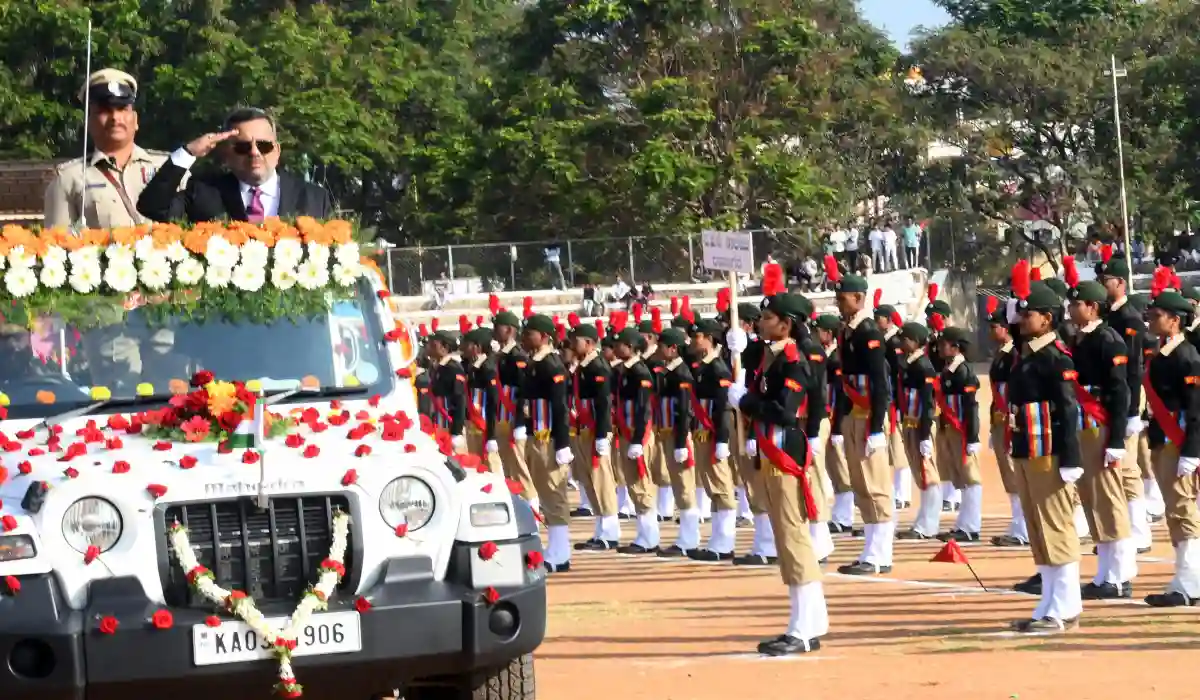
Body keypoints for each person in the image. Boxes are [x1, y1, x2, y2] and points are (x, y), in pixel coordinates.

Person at [726, 292, 829, 656]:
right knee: (787, 542)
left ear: (785, 324)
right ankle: (810, 621)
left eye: (767, 318)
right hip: (770, 458)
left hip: (785, 456)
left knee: (794, 540)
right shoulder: (771, 354)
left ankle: (803, 629)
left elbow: (785, 411)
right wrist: (736, 345)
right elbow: (747, 362)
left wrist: (746, 402)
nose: (761, 323)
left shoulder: (794, 361)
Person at [1006, 266, 1085, 633]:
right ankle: (1049, 599)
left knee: (1055, 525)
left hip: (1049, 450)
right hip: (1027, 447)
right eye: (1021, 313)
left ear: (1047, 319)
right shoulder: (1029, 353)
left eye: (1029, 314)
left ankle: (1065, 604)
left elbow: (1068, 409)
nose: (1022, 319)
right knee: (1038, 527)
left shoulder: (1056, 357)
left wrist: (1071, 458)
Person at [1064, 271, 1136, 599]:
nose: (1070, 309)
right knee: (1092, 498)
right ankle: (1105, 573)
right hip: (1083, 423)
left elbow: (1120, 391)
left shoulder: (1108, 340)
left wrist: (1118, 439)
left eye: (1076, 304)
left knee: (1108, 499)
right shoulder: (1080, 338)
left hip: (1101, 423)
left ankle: (1120, 574)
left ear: (1092, 307)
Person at [137, 107, 333, 223]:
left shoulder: (314, 198)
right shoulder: (204, 192)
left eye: (264, 145)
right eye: (242, 147)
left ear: (277, 151)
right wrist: (188, 153)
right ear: (226, 154)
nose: (254, 152)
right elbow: (153, 207)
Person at [825, 256, 895, 575]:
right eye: (837, 299)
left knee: (875, 484)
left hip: (868, 416)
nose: (840, 304)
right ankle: (870, 549)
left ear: (859, 299)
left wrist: (877, 425)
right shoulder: (848, 332)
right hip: (854, 415)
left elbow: (880, 382)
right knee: (861, 484)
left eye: (843, 298)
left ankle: (881, 553)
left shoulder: (868, 333)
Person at [44, 69, 170, 230]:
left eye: (122, 109)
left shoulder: (168, 167)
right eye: (104, 111)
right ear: (89, 122)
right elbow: (57, 244)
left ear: (136, 119)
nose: (115, 118)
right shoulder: (69, 179)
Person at [1141, 274, 1200, 607]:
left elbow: (1196, 409)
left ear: (1175, 321)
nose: (1150, 319)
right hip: (1163, 439)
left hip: (1180, 441)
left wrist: (1192, 451)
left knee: (1183, 508)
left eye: (1157, 315)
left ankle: (1190, 582)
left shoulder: (1187, 356)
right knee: (1174, 510)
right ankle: (1184, 576)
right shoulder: (1161, 354)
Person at [1095, 247, 1155, 554]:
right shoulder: (1112, 315)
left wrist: (1133, 410)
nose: (1103, 283)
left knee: (1128, 467)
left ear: (1120, 282)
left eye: (1107, 279)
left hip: (1128, 395)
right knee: (1117, 467)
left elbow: (1133, 366)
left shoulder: (1129, 317)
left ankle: (1139, 531)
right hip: (1114, 395)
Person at [520, 314, 574, 572]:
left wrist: (562, 443)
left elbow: (560, 407)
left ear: (543, 336)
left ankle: (560, 552)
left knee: (554, 493)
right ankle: (553, 547)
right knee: (544, 491)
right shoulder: (535, 363)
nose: (524, 337)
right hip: (536, 436)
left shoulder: (552, 365)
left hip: (549, 438)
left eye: (529, 333)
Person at [687, 318, 739, 562]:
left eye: (698, 336)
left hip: (713, 433)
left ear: (709, 339)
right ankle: (717, 540)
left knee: (722, 487)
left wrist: (722, 439)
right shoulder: (702, 367)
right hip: (702, 434)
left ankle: (725, 540)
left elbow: (723, 408)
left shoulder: (717, 369)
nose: (693, 341)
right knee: (712, 488)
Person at [569, 321, 620, 550]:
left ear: (589, 343)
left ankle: (610, 532)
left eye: (576, 340)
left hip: (595, 430)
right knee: (589, 481)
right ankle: (600, 529)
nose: (572, 344)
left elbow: (603, 403)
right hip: (583, 429)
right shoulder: (583, 367)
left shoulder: (599, 367)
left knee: (601, 480)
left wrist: (602, 434)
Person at [612, 320, 661, 554]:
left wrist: (638, 439)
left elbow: (644, 409)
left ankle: (649, 536)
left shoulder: (640, 372)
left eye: (620, 344)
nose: (615, 348)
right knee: (633, 484)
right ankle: (643, 533)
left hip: (637, 434)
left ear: (630, 346)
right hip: (627, 433)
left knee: (642, 485)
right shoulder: (625, 370)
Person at [932, 325, 984, 543]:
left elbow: (971, 407)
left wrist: (972, 437)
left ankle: (972, 526)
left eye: (944, 344)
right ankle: (963, 524)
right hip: (950, 429)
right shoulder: (949, 369)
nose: (940, 348)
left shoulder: (964, 371)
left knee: (970, 477)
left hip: (962, 430)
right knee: (960, 477)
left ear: (955, 347)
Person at [986, 298, 1029, 548]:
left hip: (1013, 420)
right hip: (1001, 419)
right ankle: (1017, 523)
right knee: (1008, 475)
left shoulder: (1014, 354)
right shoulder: (1002, 354)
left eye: (996, 326)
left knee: (1016, 473)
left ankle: (1023, 528)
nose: (993, 331)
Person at [654, 328, 700, 557]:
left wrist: (682, 441)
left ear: (673, 348)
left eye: (662, 346)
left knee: (684, 487)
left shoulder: (681, 374)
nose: (659, 350)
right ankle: (686, 536)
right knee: (678, 485)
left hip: (677, 435)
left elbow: (684, 410)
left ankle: (689, 538)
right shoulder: (669, 371)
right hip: (668, 434)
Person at [894, 323, 942, 540]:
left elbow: (927, 403)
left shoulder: (924, 367)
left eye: (905, 339)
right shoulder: (909, 363)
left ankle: (929, 524)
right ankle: (922, 521)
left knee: (927, 473)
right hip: (910, 422)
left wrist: (925, 436)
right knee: (919, 473)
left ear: (915, 341)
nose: (902, 343)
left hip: (921, 424)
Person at [492, 306, 537, 512]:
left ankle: (531, 505)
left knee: (520, 467)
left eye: (498, 326)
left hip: (513, 418)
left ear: (509, 330)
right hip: (502, 417)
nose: (494, 330)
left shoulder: (518, 356)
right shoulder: (502, 355)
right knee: (508, 465)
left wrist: (519, 421)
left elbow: (523, 391)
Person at [814, 314, 854, 535]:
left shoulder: (836, 358)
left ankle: (845, 516)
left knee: (840, 469)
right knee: (831, 465)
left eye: (819, 330)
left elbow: (840, 394)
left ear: (828, 334)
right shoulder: (825, 355)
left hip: (835, 415)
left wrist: (838, 426)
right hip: (826, 414)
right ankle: (839, 515)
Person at [461, 327, 502, 473]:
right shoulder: (473, 367)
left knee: (491, 466)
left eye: (467, 344)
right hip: (474, 424)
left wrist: (491, 434)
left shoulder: (488, 368)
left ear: (477, 347)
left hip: (484, 424)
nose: (463, 348)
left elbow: (493, 402)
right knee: (477, 465)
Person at [424, 331, 467, 454]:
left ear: (445, 348)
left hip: (449, 425)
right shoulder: (437, 367)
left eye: (433, 344)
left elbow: (460, 400)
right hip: (439, 423)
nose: (429, 346)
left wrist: (456, 432)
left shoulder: (453, 368)